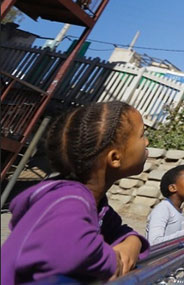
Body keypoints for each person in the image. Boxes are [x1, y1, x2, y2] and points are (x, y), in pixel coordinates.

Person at [1, 101, 149, 283]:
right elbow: (71, 250)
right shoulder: (68, 199)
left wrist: (133, 242)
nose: (147, 142)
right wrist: (112, 260)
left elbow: (121, 231)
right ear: (115, 158)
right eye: (142, 135)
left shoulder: (97, 205)